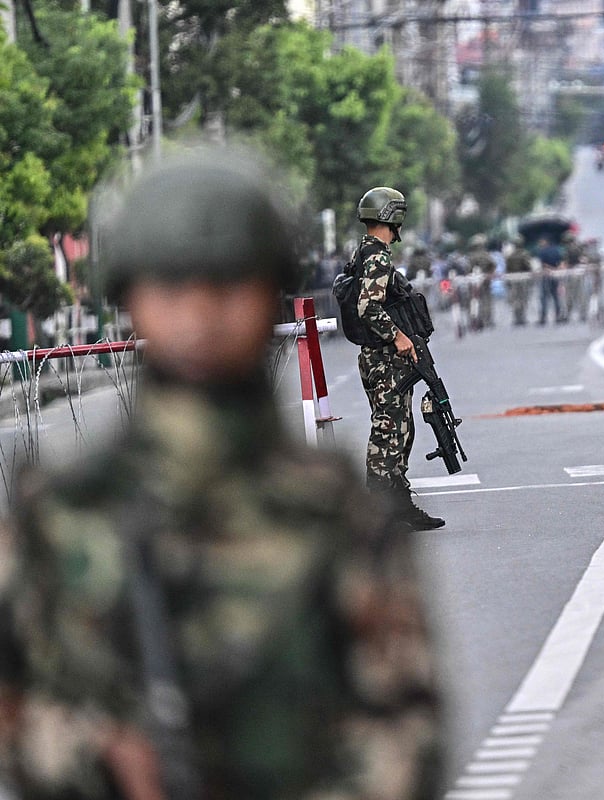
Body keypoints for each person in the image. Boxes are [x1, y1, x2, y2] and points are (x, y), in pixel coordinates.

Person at [0, 151, 444, 800]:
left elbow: (406, 729)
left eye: (231, 285)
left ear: (270, 294)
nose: (201, 315)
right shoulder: (62, 512)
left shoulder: (336, 512)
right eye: (174, 286)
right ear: (131, 295)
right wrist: (97, 758)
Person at [354, 186, 445, 529]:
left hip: (383, 359)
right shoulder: (376, 255)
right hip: (383, 358)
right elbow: (368, 306)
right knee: (388, 432)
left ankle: (399, 506)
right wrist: (399, 336)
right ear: (391, 215)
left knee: (400, 431)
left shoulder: (367, 252)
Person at [504, 235, 534, 326]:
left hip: (513, 278)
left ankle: (516, 317)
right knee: (523, 298)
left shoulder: (510, 255)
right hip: (523, 277)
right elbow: (528, 266)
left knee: (515, 299)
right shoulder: (525, 254)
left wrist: (507, 281)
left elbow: (507, 269)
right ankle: (522, 317)